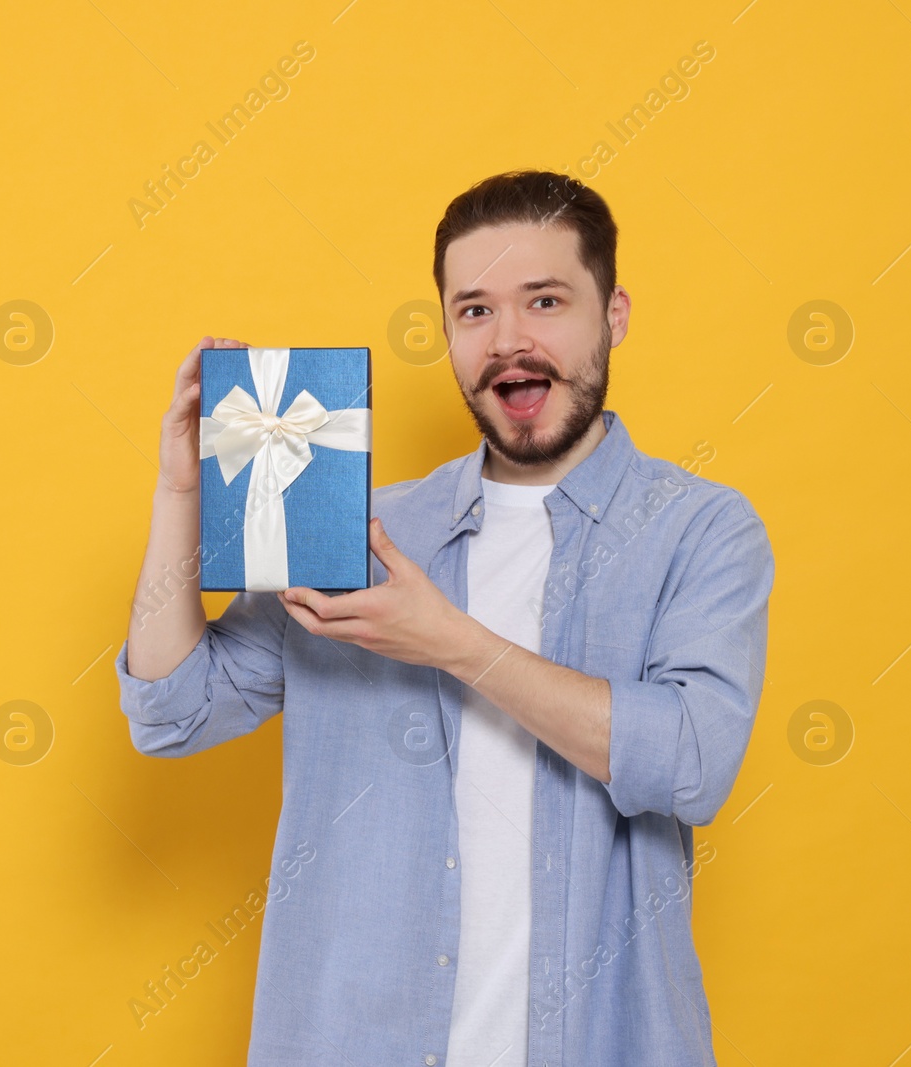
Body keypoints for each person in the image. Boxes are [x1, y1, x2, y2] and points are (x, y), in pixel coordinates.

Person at [115, 169, 775, 1066]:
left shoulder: (699, 528)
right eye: (475, 311)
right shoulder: (351, 525)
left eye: (545, 300)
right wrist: (180, 488)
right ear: (448, 332)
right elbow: (171, 711)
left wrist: (451, 642)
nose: (510, 341)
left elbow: (692, 762)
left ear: (613, 314)